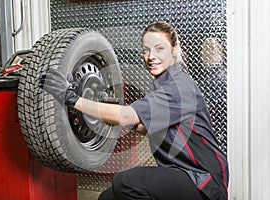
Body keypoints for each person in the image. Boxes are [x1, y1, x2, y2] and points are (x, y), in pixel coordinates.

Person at [41, 21, 229, 200]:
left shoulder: (179, 87)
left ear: (174, 49)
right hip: (180, 172)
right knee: (108, 197)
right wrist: (108, 116)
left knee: (125, 182)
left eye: (159, 48)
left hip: (203, 180)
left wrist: (71, 98)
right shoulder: (164, 85)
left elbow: (125, 115)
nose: (151, 56)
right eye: (146, 50)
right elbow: (150, 128)